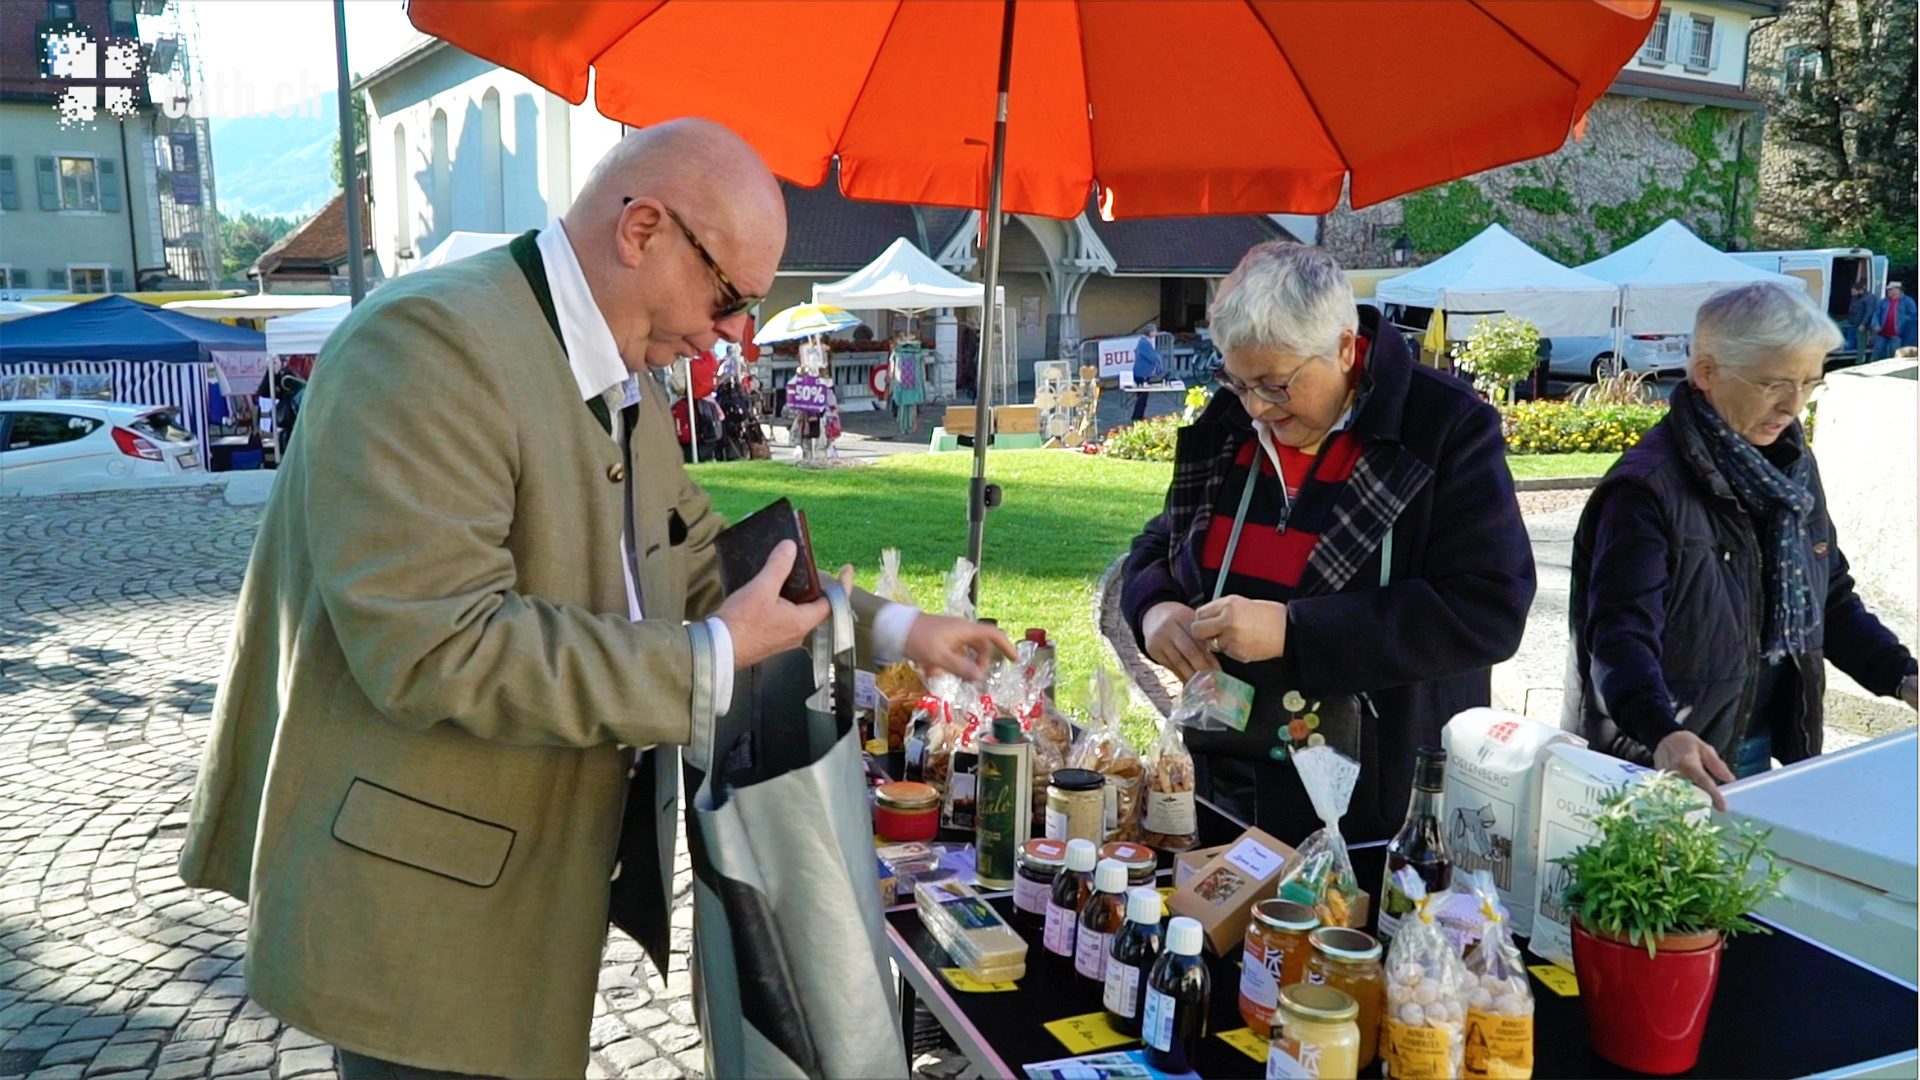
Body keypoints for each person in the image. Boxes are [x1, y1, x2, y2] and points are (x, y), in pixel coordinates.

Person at [176, 120, 1013, 1080]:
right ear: (643, 229)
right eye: (730, 294)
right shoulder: (428, 344)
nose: (737, 330)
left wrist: (903, 628)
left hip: (522, 885)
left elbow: (706, 561)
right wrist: (706, 658)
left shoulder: (611, 366)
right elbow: (435, 647)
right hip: (422, 913)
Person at [1120, 242, 1535, 843]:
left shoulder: (1443, 427)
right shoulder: (1231, 421)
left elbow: (1489, 609)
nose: (1256, 408)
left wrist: (1296, 632)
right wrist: (1152, 607)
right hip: (1226, 779)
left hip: (1373, 804)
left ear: (1344, 348)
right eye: (1237, 382)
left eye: (1275, 384)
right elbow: (1163, 543)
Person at [1566, 282, 1917, 811]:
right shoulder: (1645, 488)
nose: (1792, 404)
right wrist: (1661, 733)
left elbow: (1829, 597)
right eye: (1773, 383)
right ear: (1706, 372)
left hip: (1755, 750)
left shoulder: (1791, 466)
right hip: (1661, 760)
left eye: (1807, 383)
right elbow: (1618, 636)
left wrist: (1902, 675)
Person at [1871, 281, 1916, 360]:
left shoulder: (1908, 301)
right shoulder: (1883, 301)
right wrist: (1875, 324)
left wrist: (1903, 323)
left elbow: (1913, 316)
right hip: (1882, 332)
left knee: (1896, 354)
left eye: (1891, 289)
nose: (1889, 291)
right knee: (1877, 353)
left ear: (1898, 290)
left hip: (1898, 334)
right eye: (1888, 290)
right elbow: (1876, 314)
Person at [1130, 323, 1164, 422]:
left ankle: (1139, 415)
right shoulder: (1144, 343)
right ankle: (1137, 416)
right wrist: (1159, 364)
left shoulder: (1144, 341)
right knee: (1142, 397)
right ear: (1150, 332)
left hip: (1142, 372)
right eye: (1155, 331)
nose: (1156, 333)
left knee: (1142, 396)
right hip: (1142, 373)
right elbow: (1152, 357)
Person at [1845, 282, 1874, 361]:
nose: (1852, 293)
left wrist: (1863, 324)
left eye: (1853, 291)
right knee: (1850, 341)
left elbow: (1869, 312)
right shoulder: (1856, 298)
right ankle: (1849, 358)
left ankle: (1860, 360)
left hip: (1861, 325)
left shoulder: (1869, 298)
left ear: (1860, 290)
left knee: (1860, 345)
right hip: (1853, 323)